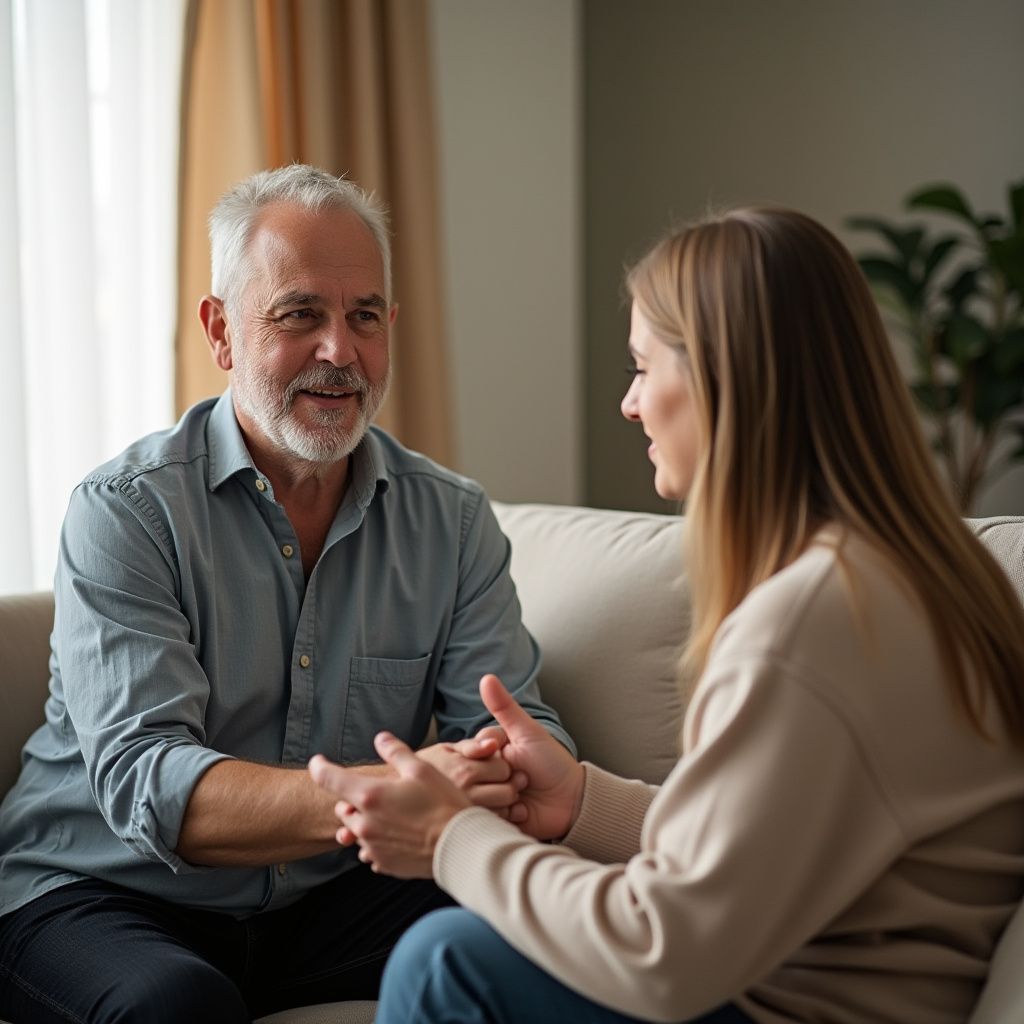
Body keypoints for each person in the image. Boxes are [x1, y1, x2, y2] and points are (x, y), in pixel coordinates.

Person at [308, 207, 1024, 1024]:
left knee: (447, 964)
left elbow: (663, 952)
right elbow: (758, 854)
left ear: (726, 380)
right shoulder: (913, 576)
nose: (630, 405)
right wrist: (580, 799)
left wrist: (451, 840)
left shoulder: (814, 622)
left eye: (643, 368)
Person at [0, 164, 574, 1024]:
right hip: (103, 891)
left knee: (558, 919)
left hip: (325, 899)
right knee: (176, 1004)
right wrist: (392, 791)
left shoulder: (452, 523)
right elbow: (150, 785)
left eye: (364, 317)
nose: (340, 351)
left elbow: (512, 732)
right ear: (221, 330)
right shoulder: (125, 511)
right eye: (301, 314)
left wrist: (498, 764)